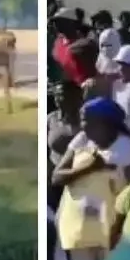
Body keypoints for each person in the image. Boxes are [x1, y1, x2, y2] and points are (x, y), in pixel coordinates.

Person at [52, 97, 130, 260]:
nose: (83, 125)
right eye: (82, 119)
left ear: (107, 123)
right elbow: (56, 177)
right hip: (80, 230)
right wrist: (88, 168)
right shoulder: (82, 140)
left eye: (87, 120)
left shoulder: (129, 150)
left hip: (112, 233)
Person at [47, 82, 84, 211]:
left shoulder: (86, 120)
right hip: (54, 178)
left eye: (62, 95)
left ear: (76, 98)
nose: (57, 99)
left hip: (79, 176)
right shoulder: (51, 119)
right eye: (56, 95)